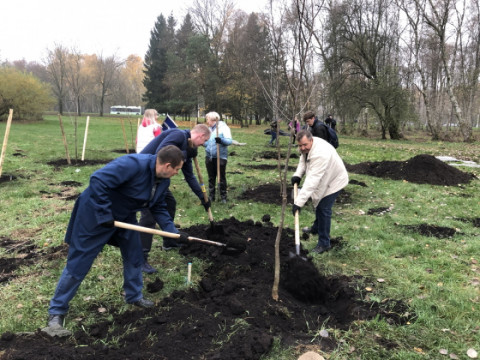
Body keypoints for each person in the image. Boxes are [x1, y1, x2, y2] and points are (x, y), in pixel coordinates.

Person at [47, 146, 188, 330]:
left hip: (124, 216)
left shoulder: (162, 181)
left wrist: (172, 231)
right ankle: (57, 310)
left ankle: (134, 296)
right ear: (168, 165)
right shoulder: (132, 165)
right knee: (80, 262)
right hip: (95, 215)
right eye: (177, 169)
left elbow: (158, 207)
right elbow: (97, 180)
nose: (177, 173)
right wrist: (104, 213)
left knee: (134, 253)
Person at [139, 124, 211, 273]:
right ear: (200, 136)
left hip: (159, 178)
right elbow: (162, 154)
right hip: (144, 175)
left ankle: (169, 240)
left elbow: (190, 176)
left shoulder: (189, 149)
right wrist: (185, 153)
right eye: (204, 141)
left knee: (170, 203)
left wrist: (202, 197)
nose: (203, 145)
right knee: (149, 216)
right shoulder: (178, 135)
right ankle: (141, 258)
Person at [291, 130, 349, 254]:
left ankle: (324, 243)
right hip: (325, 177)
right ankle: (316, 228)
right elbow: (303, 160)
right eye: (300, 145)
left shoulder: (320, 154)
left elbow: (312, 180)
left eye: (305, 145)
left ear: (311, 140)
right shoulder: (307, 147)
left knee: (323, 209)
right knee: (319, 205)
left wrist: (299, 202)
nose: (302, 148)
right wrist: (298, 175)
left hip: (334, 181)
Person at [204, 111, 233, 203]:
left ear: (213, 119)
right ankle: (211, 196)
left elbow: (229, 141)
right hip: (209, 156)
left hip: (220, 156)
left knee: (221, 177)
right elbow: (206, 143)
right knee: (211, 177)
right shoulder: (209, 129)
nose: (207, 121)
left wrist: (221, 140)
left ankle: (223, 197)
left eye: (207, 119)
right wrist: (201, 143)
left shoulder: (224, 128)